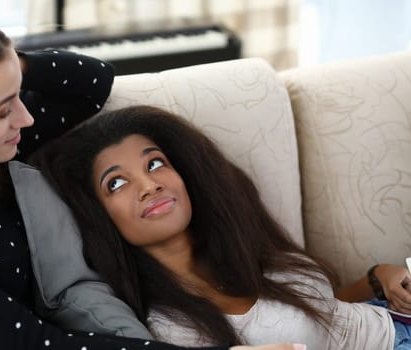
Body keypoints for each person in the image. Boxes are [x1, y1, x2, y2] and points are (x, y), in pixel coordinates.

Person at [0, 12, 299, 350]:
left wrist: (7, 62)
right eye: (2, 108)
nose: (26, 116)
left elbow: (93, 82)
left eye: (17, 95)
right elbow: (26, 341)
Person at [31, 105, 411, 349]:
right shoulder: (162, 328)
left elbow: (325, 318)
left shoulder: (244, 250)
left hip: (393, 319)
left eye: (155, 164)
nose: (150, 185)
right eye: (116, 182)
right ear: (99, 216)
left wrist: (379, 278)